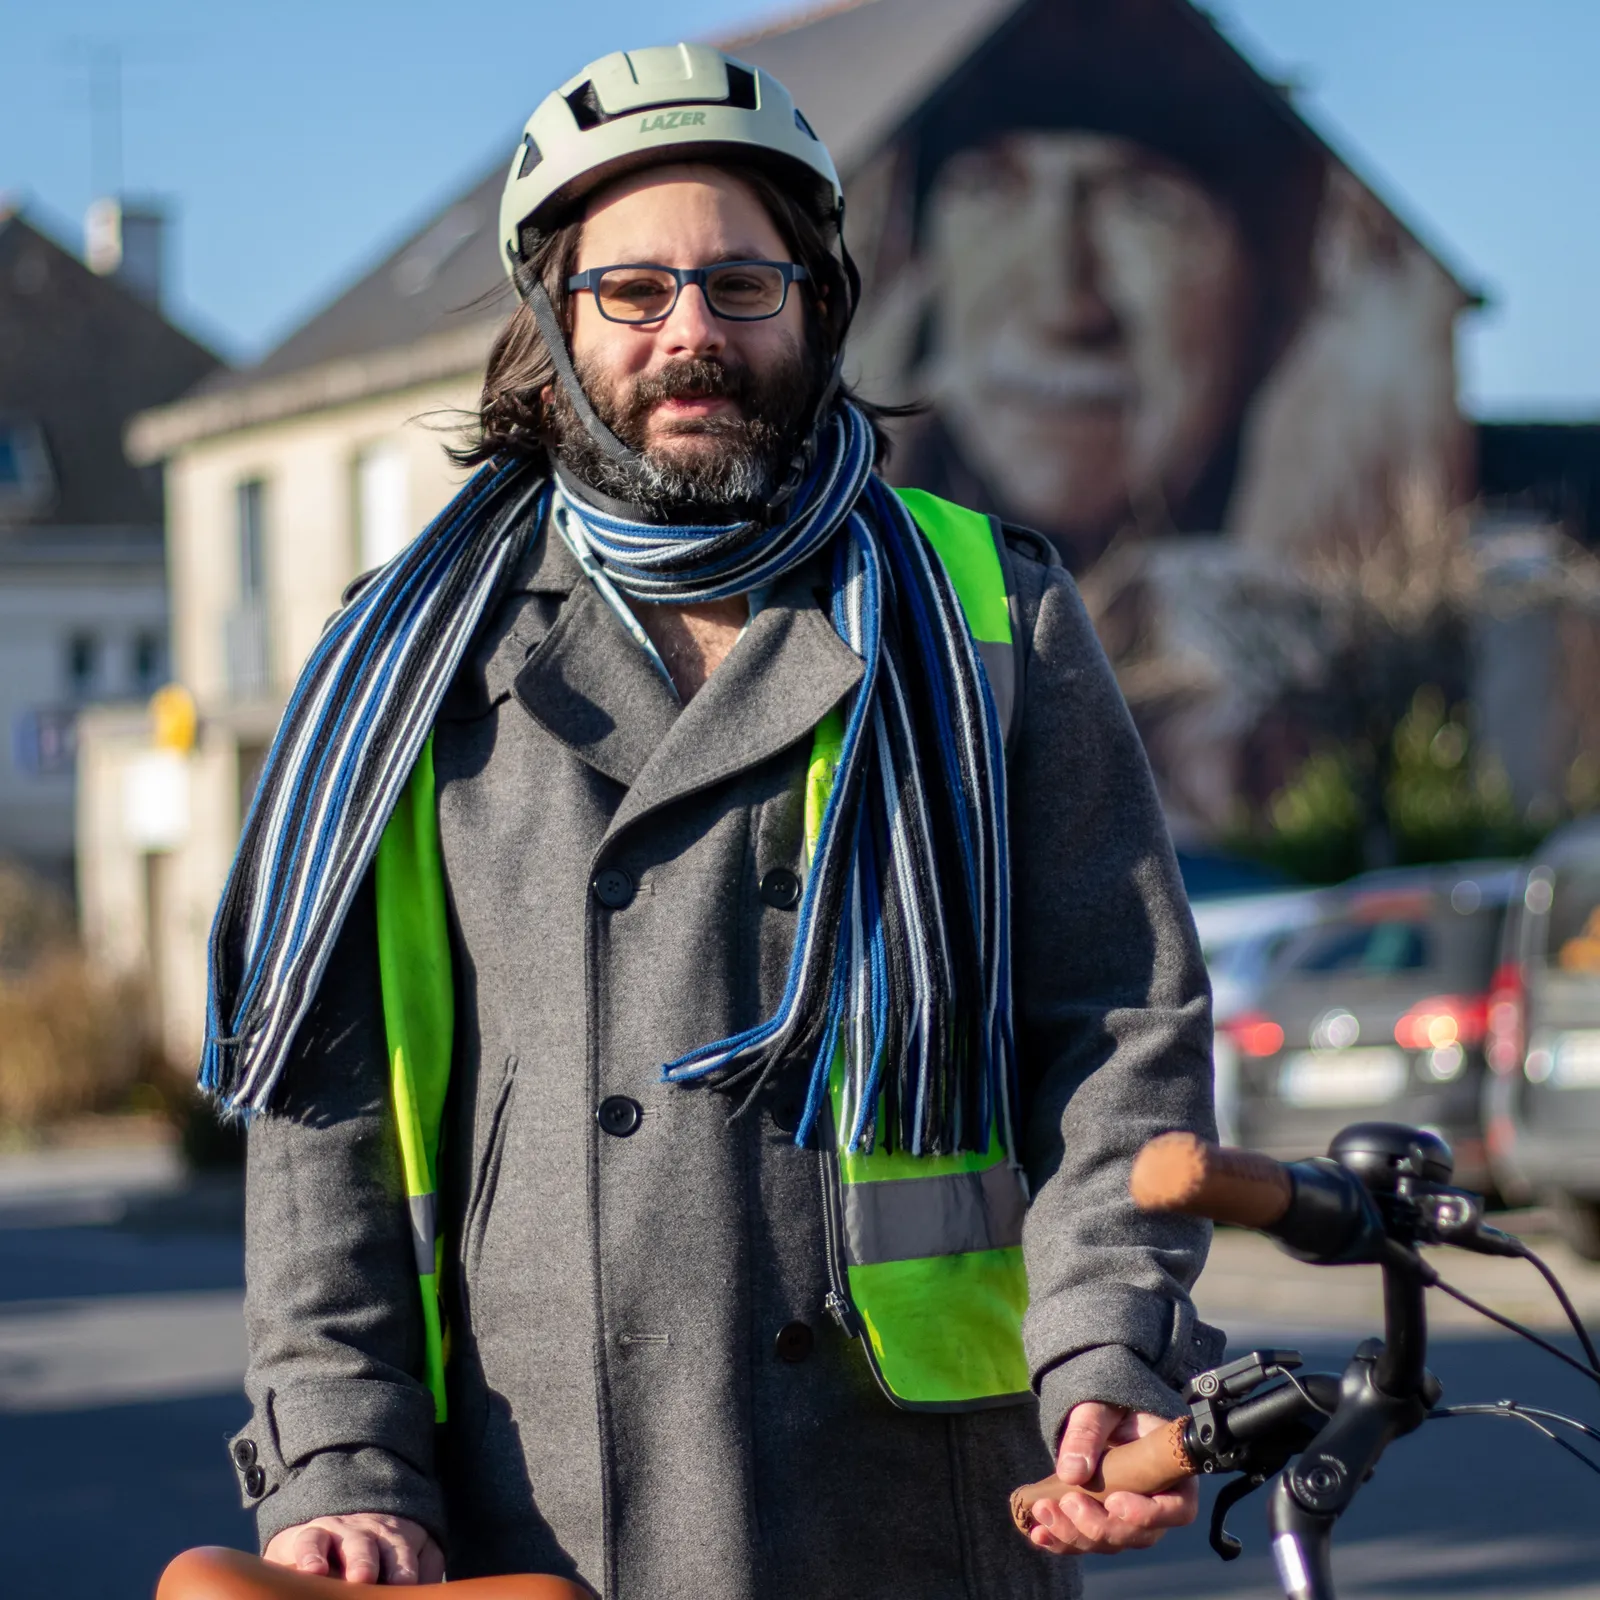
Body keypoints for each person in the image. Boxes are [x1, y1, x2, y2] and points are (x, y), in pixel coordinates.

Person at [210, 43, 1221, 1596]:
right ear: (554, 326)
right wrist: (338, 1454)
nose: (691, 334)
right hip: (540, 1507)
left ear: (817, 303)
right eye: (634, 293)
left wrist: (1109, 1345)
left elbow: (1119, 1026)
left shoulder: (988, 612)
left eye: (741, 286)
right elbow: (327, 1110)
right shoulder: (408, 663)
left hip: (913, 1506)